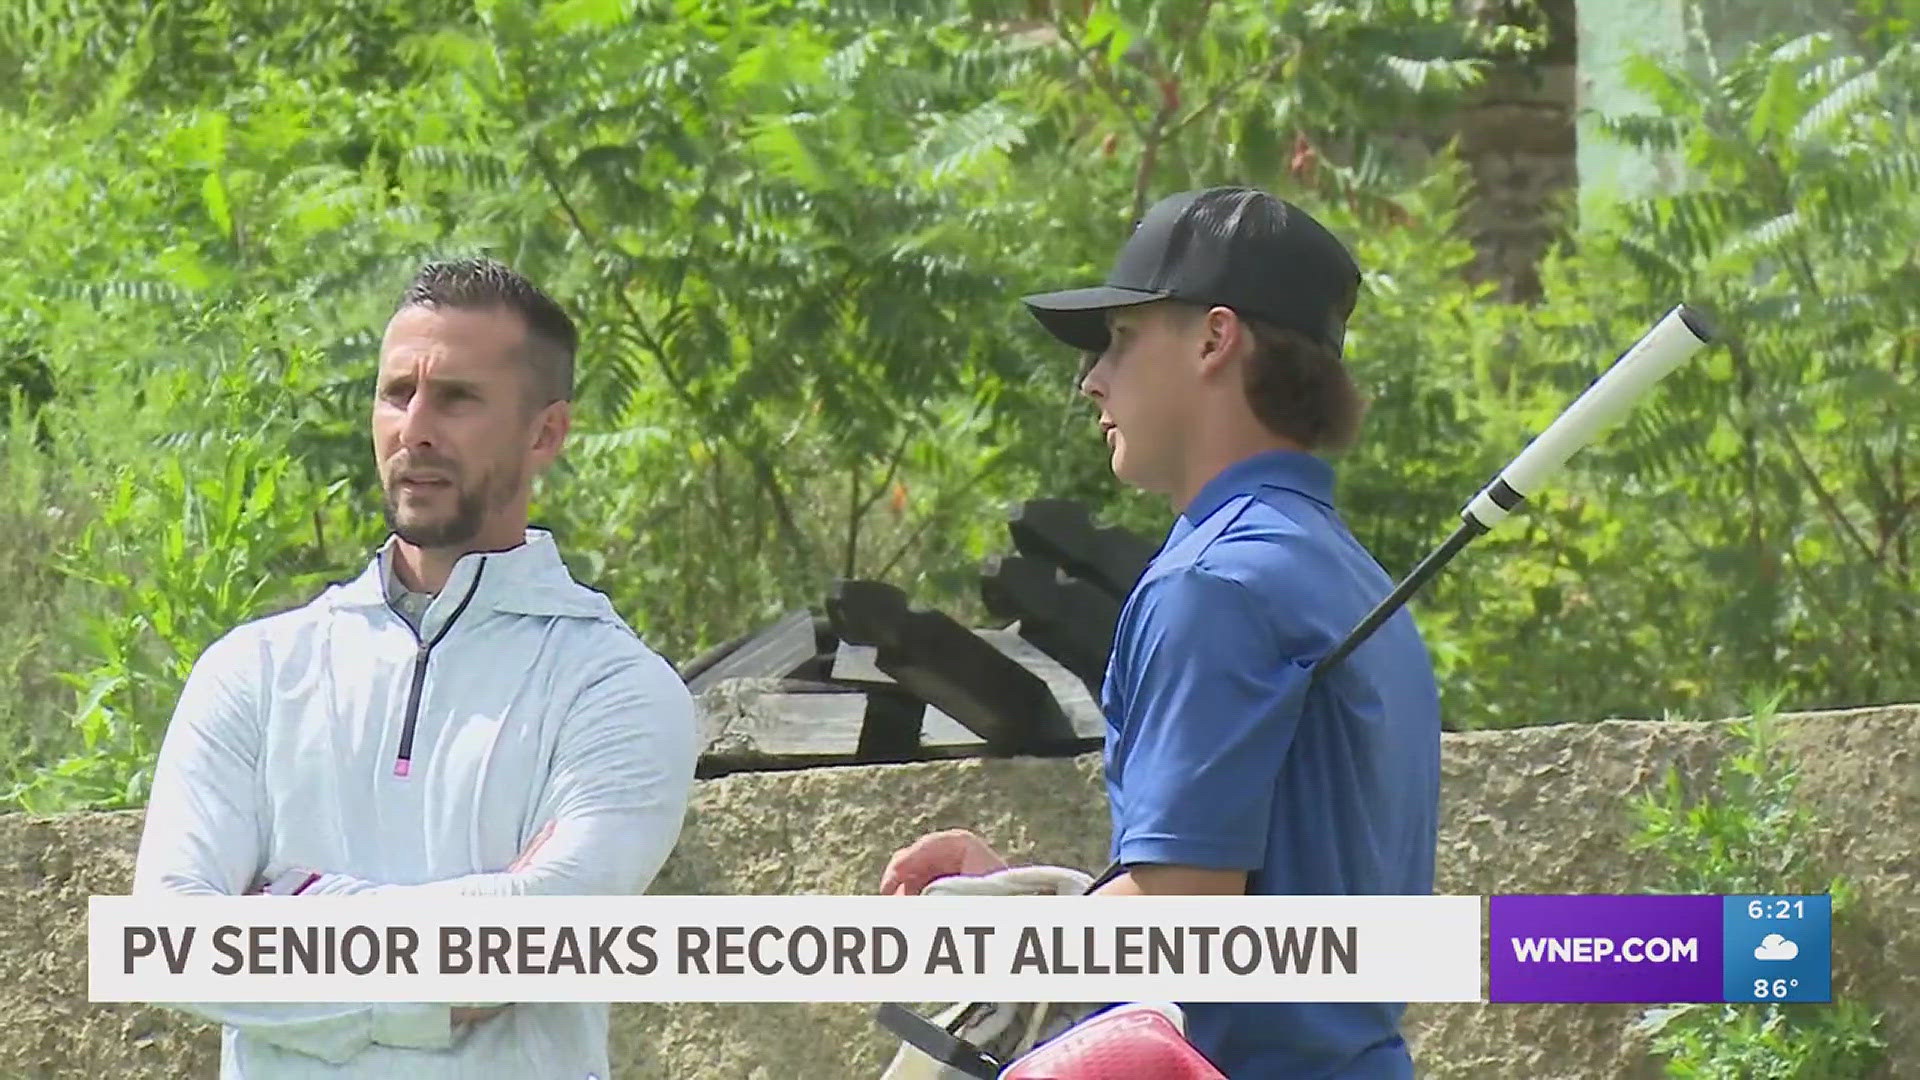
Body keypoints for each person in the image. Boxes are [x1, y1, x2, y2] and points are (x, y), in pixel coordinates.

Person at [880, 188, 1443, 1078]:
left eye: (1121, 339)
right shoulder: (1348, 576)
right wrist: (1037, 893)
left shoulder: (1212, 586)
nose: (1091, 378)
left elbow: (1179, 926)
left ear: (1215, 340)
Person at [133, 257, 699, 1079]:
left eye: (457, 397)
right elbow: (171, 944)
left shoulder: (614, 688)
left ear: (546, 433)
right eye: (398, 392)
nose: (416, 428)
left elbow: (540, 933)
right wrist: (440, 982)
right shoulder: (254, 671)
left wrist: (296, 905)